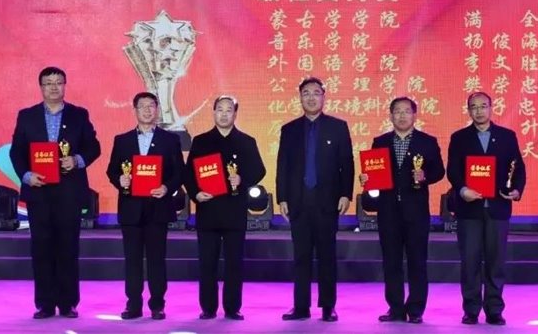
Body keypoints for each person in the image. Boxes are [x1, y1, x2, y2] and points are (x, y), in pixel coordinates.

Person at [9, 66, 101, 319]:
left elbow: (94, 147)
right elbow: (17, 152)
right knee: (41, 248)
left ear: (64, 85)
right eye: (48, 83)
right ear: (41, 87)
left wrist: (77, 160)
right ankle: (45, 304)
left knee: (68, 247)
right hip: (38, 191)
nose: (53, 87)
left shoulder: (79, 115)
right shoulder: (27, 116)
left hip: (69, 192)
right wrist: (26, 175)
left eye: (58, 82)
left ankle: (68, 303)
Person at [360, 97, 445, 324]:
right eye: (397, 111)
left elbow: (439, 171)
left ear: (414, 115)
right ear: (390, 116)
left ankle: (416, 309)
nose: (402, 116)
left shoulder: (427, 141)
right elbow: (375, 171)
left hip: (416, 212)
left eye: (407, 111)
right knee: (391, 261)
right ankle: (396, 308)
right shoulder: (380, 142)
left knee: (417, 261)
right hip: (388, 211)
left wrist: (425, 176)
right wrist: (367, 179)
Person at [276, 77, 354, 322]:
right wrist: (282, 197)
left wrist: (346, 194)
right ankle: (301, 307)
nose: (311, 97)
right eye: (306, 93)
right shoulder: (289, 129)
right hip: (298, 202)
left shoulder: (338, 127)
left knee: (327, 256)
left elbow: (346, 164)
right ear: (300, 98)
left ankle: (328, 306)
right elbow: (283, 165)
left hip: (327, 202)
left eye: (316, 93)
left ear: (324, 97)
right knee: (301, 257)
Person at [446, 91, 526, 326]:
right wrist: (462, 189)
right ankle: (471, 309)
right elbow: (453, 170)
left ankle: (494, 309)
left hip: (498, 208)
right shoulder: (459, 138)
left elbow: (518, 168)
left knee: (495, 262)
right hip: (469, 210)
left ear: (491, 108)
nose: (479, 111)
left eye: (483, 106)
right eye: (474, 107)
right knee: (470, 261)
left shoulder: (507, 136)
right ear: (468, 110)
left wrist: (516, 190)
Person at [184, 95, 266, 321]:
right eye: (219, 109)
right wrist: (195, 193)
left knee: (234, 264)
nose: (223, 114)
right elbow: (188, 173)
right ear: (213, 113)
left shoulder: (246, 141)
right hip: (208, 210)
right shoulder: (201, 141)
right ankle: (208, 308)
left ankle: (232, 308)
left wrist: (242, 179)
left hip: (234, 211)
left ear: (235, 114)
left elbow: (260, 170)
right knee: (207, 263)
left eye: (228, 110)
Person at [106, 92, 185, 320]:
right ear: (135, 110)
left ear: (157, 109)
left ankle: (157, 304)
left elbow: (180, 172)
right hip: (131, 209)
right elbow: (112, 170)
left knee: (156, 260)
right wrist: (120, 180)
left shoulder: (170, 140)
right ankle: (133, 304)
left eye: (152, 106)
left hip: (158, 209)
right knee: (132, 260)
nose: (148, 110)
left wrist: (167, 187)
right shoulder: (122, 140)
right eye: (142, 106)